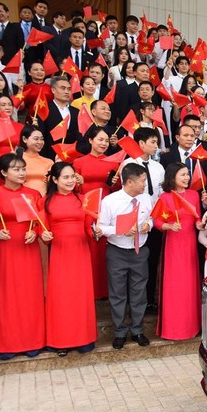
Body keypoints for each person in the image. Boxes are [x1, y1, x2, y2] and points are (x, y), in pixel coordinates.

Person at [0, 153, 46, 359]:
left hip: (27, 248)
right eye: (16, 169)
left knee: (30, 295)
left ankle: (32, 341)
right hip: (4, 249)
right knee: (5, 297)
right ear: (3, 172)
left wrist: (34, 232)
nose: (21, 173)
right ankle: (4, 344)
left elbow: (40, 222)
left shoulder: (33, 194)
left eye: (23, 169)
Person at [39, 162, 98, 356]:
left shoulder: (83, 199)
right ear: (55, 180)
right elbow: (42, 227)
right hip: (59, 252)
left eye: (72, 176)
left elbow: (89, 227)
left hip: (80, 251)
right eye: (65, 177)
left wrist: (95, 231)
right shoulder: (45, 201)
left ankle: (84, 339)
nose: (70, 180)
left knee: (81, 295)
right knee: (61, 296)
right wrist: (43, 235)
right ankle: (60, 340)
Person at [98, 163, 153, 349]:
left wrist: (148, 226)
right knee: (118, 293)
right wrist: (120, 230)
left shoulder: (146, 199)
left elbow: (151, 219)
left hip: (140, 251)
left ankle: (137, 330)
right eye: (143, 181)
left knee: (139, 292)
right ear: (130, 182)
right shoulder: (110, 201)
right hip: (117, 252)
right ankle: (119, 331)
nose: (145, 184)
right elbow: (102, 227)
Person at [154, 162, 202, 341]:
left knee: (190, 285)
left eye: (187, 174)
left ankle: (191, 327)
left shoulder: (194, 195)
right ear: (172, 177)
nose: (187, 178)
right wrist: (169, 225)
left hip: (190, 244)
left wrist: (200, 225)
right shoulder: (165, 197)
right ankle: (174, 328)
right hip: (173, 244)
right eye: (182, 174)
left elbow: (196, 219)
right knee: (174, 285)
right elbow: (156, 221)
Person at [121, 127, 165, 313]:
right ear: (140, 143)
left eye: (156, 142)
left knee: (152, 261)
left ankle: (148, 300)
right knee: (131, 263)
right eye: (153, 142)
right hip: (132, 220)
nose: (156, 146)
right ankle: (130, 301)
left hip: (153, 219)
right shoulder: (128, 165)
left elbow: (161, 194)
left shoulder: (158, 167)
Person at [73, 125, 118, 299]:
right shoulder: (79, 162)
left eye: (106, 140)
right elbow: (74, 188)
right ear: (90, 140)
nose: (104, 143)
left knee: (104, 249)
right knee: (88, 249)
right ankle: (87, 289)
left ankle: (104, 290)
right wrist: (79, 183)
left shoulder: (113, 162)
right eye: (100, 139)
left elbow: (116, 189)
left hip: (106, 207)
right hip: (85, 206)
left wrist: (115, 182)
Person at [18, 125, 54, 197]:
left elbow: (53, 184)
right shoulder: (17, 158)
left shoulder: (48, 162)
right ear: (24, 139)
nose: (40, 142)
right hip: (22, 199)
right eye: (36, 139)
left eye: (42, 139)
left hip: (42, 200)